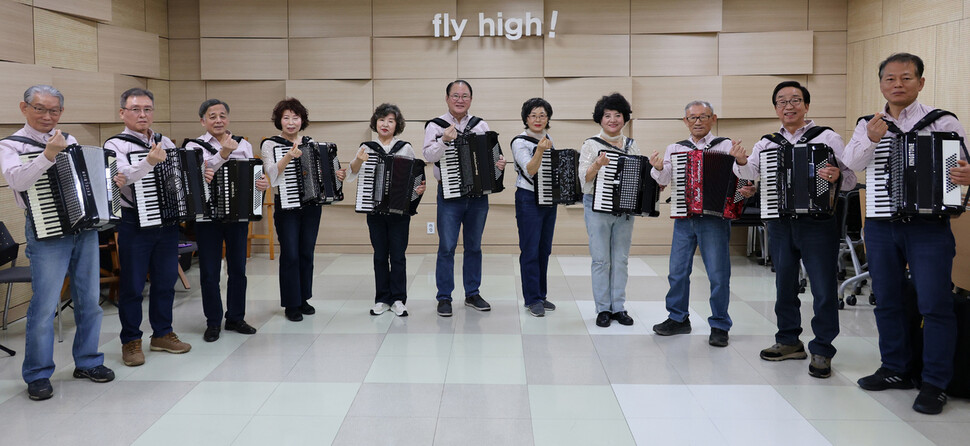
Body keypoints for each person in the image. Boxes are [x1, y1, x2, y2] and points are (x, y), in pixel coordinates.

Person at [842, 53, 970, 415]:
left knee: (935, 303)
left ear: (920, 83)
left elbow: (963, 164)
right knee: (888, 299)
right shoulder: (868, 123)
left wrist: (965, 175)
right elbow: (850, 167)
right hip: (881, 225)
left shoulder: (943, 122)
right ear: (881, 83)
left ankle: (935, 382)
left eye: (906, 78)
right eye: (890, 79)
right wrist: (868, 138)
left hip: (929, 226)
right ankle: (896, 368)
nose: (898, 84)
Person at [731, 80, 856, 378]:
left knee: (824, 288)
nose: (789, 106)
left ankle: (823, 348)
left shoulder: (827, 138)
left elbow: (851, 180)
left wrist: (837, 175)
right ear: (776, 108)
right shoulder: (768, 142)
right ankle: (788, 340)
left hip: (818, 223)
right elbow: (750, 172)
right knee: (784, 285)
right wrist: (739, 161)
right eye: (782, 101)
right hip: (779, 222)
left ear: (806, 105)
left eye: (795, 100)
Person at [0, 85, 116, 400]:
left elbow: (85, 180)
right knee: (44, 305)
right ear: (24, 108)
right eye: (40, 108)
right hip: (45, 230)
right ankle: (37, 374)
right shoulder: (10, 145)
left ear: (61, 113)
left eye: (54, 110)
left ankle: (88, 361)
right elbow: (18, 181)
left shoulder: (71, 140)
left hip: (84, 228)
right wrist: (48, 156)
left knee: (90, 300)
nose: (47, 116)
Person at [649, 100, 755, 346]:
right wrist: (657, 169)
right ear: (685, 121)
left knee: (718, 274)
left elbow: (745, 179)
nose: (697, 121)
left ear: (713, 118)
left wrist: (741, 165)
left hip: (715, 219)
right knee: (677, 271)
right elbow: (664, 178)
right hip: (684, 217)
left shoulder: (727, 146)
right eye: (692, 117)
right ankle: (678, 319)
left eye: (703, 117)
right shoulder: (675, 147)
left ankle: (719, 324)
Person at [105, 87, 191, 366]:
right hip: (133, 223)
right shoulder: (114, 145)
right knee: (132, 285)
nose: (143, 115)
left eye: (147, 109)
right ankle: (130, 341)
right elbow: (121, 178)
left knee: (165, 281)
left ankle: (162, 333)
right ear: (123, 113)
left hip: (166, 222)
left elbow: (175, 174)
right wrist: (147, 162)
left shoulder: (163, 140)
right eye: (136, 109)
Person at [185, 99, 269, 342]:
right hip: (208, 217)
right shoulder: (194, 146)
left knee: (238, 269)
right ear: (203, 121)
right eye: (212, 116)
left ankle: (235, 317)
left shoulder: (243, 144)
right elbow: (197, 174)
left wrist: (260, 185)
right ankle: (213, 322)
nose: (218, 120)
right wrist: (223, 154)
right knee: (210, 272)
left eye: (222, 115)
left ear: (228, 119)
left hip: (237, 216)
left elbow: (254, 176)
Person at [423, 80, 506, 317]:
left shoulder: (480, 125)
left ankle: (472, 293)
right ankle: (444, 297)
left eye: (465, 96)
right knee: (447, 247)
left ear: (471, 99)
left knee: (474, 246)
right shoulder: (435, 126)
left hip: (478, 196)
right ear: (447, 98)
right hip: (449, 194)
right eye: (455, 95)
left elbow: (493, 156)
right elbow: (428, 155)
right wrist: (443, 141)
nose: (460, 100)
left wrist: (499, 164)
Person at [259, 98, 339, 322]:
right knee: (290, 254)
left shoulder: (310, 142)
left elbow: (319, 172)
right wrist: (287, 157)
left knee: (306, 253)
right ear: (279, 121)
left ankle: (304, 299)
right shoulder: (270, 144)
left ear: (302, 120)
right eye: (286, 118)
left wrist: (334, 175)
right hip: (287, 207)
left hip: (311, 206)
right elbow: (272, 177)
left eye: (295, 118)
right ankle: (290, 304)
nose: (291, 122)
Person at [346, 103, 426, 317]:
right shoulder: (366, 148)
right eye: (382, 120)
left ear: (396, 125)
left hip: (399, 213)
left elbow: (414, 176)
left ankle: (399, 299)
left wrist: (419, 188)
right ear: (375, 122)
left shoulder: (405, 148)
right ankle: (382, 298)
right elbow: (352, 174)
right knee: (380, 255)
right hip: (374, 211)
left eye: (390, 120)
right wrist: (357, 160)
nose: (385, 124)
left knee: (398, 256)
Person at [579, 93, 638, 328]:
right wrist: (597, 164)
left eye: (617, 115)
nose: (612, 120)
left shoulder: (632, 146)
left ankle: (619, 307)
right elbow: (584, 179)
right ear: (600, 119)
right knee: (601, 260)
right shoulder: (590, 144)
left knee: (621, 259)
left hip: (624, 210)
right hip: (596, 208)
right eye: (607, 115)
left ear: (624, 119)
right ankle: (603, 308)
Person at [511, 97, 558, 317]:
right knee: (529, 249)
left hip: (548, 199)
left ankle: (541, 294)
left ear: (548, 118)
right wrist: (539, 151)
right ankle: (531, 299)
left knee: (544, 249)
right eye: (533, 115)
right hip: (528, 199)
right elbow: (530, 170)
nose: (538, 119)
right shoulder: (519, 142)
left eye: (542, 115)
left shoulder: (549, 138)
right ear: (526, 118)